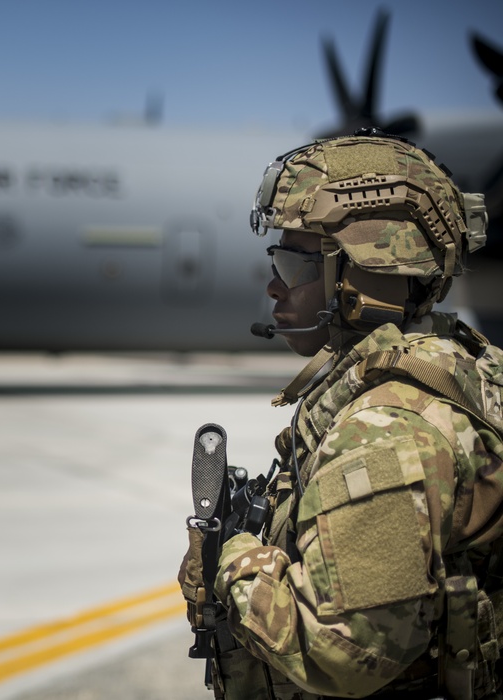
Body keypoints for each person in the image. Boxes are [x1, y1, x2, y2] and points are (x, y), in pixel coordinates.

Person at [180, 129, 503, 699]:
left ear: (360, 276)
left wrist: (231, 557)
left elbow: (343, 652)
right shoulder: (461, 364)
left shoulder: (384, 432)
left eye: (295, 265)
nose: (274, 286)